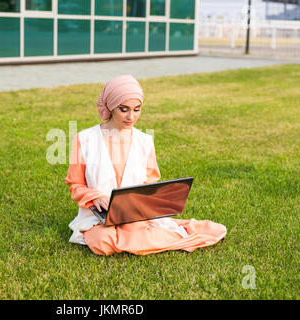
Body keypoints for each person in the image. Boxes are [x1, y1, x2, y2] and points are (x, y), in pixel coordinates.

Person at [64, 74, 227, 256]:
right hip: (98, 215)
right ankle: (145, 240)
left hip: (133, 214)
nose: (131, 117)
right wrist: (95, 197)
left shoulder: (144, 141)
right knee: (101, 242)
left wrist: (141, 203)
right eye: (124, 109)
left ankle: (138, 237)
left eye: (137, 109)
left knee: (120, 236)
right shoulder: (84, 139)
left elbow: (150, 185)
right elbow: (75, 185)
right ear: (110, 106)